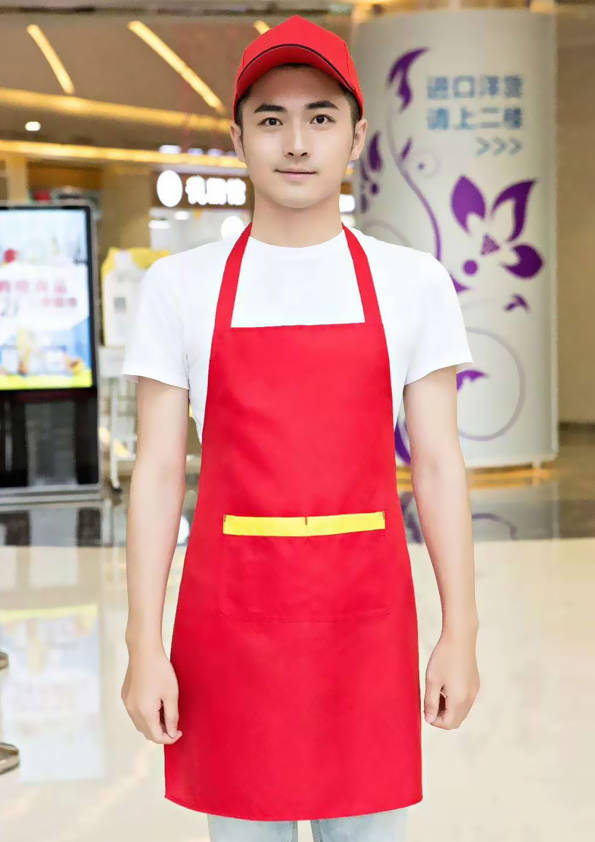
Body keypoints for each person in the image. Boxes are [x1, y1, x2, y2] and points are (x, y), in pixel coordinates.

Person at [120, 14, 480, 842]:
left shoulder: (411, 282)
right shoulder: (180, 287)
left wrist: (459, 633)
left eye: (320, 117)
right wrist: (144, 644)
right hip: (228, 628)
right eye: (270, 119)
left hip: (365, 624)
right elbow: (159, 472)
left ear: (356, 136)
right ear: (238, 138)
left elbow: (437, 466)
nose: (295, 142)